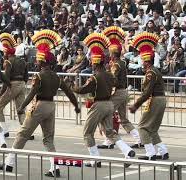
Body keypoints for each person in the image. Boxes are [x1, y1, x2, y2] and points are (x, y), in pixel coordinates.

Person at [0, 29, 80, 178]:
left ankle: (9, 163)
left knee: (22, 134)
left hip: (39, 106)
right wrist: (76, 106)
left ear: (41, 61)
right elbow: (69, 93)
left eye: (38, 60)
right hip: (51, 107)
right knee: (48, 139)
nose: (36, 61)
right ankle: (55, 168)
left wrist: (21, 107)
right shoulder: (57, 77)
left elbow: (33, 93)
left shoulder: (39, 76)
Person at [72, 33, 135, 167]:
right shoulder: (108, 75)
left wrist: (72, 87)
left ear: (94, 63)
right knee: (110, 132)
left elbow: (83, 89)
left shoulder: (94, 77)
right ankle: (127, 150)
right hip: (109, 105)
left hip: (99, 105)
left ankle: (95, 159)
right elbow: (113, 83)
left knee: (87, 133)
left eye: (91, 62)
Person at [97, 26, 142, 149]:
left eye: (110, 52)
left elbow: (112, 79)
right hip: (123, 92)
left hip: (119, 92)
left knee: (105, 114)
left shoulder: (116, 64)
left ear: (112, 53)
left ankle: (108, 140)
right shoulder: (121, 62)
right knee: (123, 119)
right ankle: (139, 139)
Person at [129, 32, 169, 160]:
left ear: (147, 61)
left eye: (142, 60)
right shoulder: (154, 71)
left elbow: (147, 92)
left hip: (156, 99)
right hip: (160, 99)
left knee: (142, 127)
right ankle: (163, 151)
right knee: (152, 128)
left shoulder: (150, 73)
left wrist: (136, 105)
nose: (141, 62)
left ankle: (150, 153)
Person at [0, 33, 32, 139]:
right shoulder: (22, 61)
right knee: (20, 109)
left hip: (13, 84)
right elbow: (26, 76)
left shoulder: (8, 62)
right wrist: (23, 83)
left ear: (7, 54)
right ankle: (27, 132)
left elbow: (6, 78)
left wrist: (1, 93)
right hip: (22, 84)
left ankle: (4, 131)